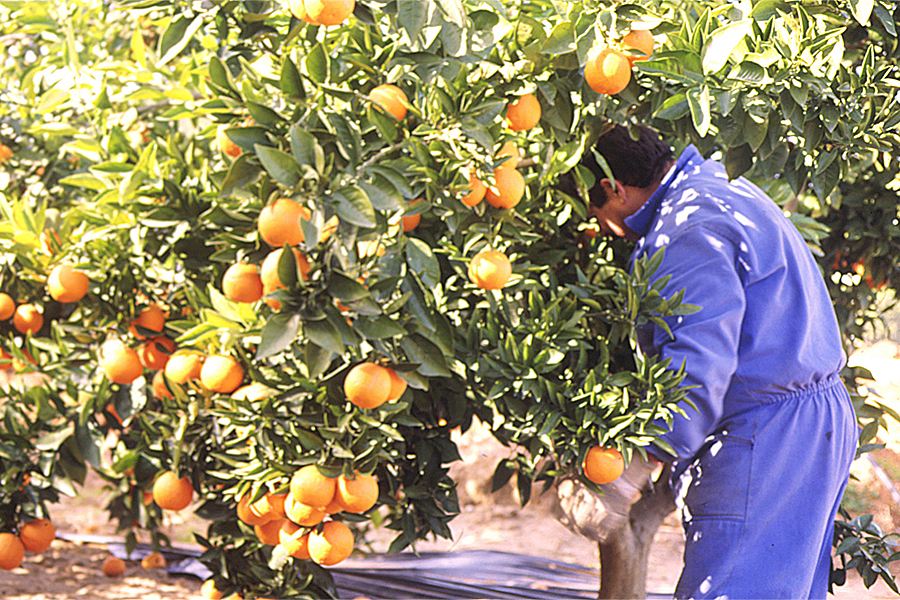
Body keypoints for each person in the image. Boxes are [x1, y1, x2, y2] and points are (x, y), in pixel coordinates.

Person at [578, 124, 858, 599]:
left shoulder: (686, 228)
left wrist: (638, 463)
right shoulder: (716, 183)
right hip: (813, 420)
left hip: (765, 434)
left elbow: (697, 364)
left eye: (597, 212)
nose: (603, 228)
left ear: (614, 188)